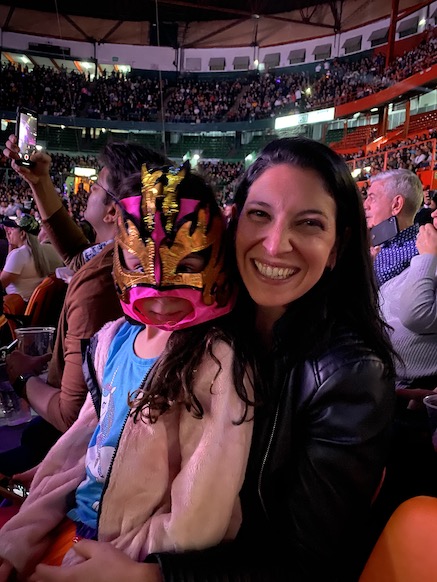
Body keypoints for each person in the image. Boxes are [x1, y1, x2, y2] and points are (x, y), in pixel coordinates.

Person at [24, 137, 395, 582]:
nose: (275, 244)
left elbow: (307, 563)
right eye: (260, 215)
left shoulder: (351, 375)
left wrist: (152, 577)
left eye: (310, 223)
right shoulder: (192, 320)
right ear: (231, 223)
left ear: (337, 246)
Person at [0, 163, 257, 580]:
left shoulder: (216, 364)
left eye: (188, 262)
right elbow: (78, 453)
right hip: (74, 528)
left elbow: (199, 515)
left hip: (129, 555)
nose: (159, 290)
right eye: (138, 261)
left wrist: (118, 565)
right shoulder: (111, 341)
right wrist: (19, 538)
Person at [0, 138, 169, 475]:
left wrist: (21, 377)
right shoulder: (117, 258)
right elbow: (78, 255)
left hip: (75, 451)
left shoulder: (97, 285)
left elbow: (70, 413)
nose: (88, 190)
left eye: (96, 185)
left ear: (112, 211)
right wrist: (39, 182)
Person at [363, 169, 423, 287]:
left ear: (396, 205)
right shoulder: (369, 241)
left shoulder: (419, 255)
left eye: (372, 198)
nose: (365, 205)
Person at [0, 214, 63, 301]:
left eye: (13, 229)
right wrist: (11, 245)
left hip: (17, 305)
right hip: (37, 303)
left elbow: (2, 284)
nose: (9, 232)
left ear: (22, 234)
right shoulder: (49, 249)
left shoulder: (18, 255)